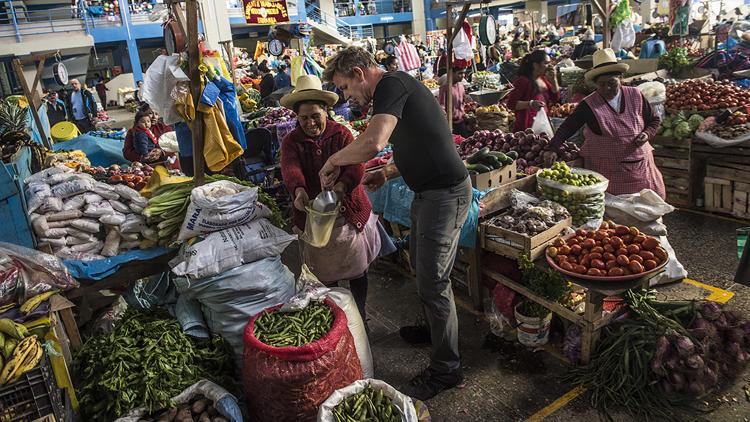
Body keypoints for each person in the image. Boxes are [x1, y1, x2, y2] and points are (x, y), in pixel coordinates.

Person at [318, 46, 471, 400]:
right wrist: (388, 172)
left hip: (445, 193)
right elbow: (417, 141)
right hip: (429, 193)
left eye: (344, 87)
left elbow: (373, 142)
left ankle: (447, 368)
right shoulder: (393, 92)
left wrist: (334, 161)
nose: (347, 96)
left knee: (434, 281)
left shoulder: (390, 84)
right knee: (423, 269)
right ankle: (435, 330)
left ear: (358, 72)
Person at [279, 75, 381, 321]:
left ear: (326, 111)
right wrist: (299, 191)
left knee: (357, 271)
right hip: (316, 218)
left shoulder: (342, 134)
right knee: (326, 274)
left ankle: (361, 313)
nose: (310, 123)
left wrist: (341, 188)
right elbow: (290, 168)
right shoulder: (292, 141)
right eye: (303, 118)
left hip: (347, 213)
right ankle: (338, 318)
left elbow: (357, 166)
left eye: (316, 116)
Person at [544, 49, 665, 198]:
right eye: (601, 84)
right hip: (608, 174)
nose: (607, 88)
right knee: (612, 214)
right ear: (595, 84)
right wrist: (552, 147)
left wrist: (646, 134)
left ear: (620, 78)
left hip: (640, 169)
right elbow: (568, 127)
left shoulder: (635, 95)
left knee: (645, 208)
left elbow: (654, 120)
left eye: (611, 83)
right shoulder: (588, 105)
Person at [506, 50, 560, 132]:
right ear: (536, 65)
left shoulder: (543, 79)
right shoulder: (523, 81)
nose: (549, 66)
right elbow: (511, 104)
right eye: (546, 63)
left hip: (543, 122)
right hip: (526, 127)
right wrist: (530, 104)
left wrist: (554, 80)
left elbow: (555, 98)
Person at [438, 66, 471, 137]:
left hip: (462, 122)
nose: (463, 76)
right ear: (452, 73)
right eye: (460, 73)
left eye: (464, 73)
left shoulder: (461, 85)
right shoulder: (445, 87)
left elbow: (463, 103)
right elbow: (441, 107)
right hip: (451, 124)